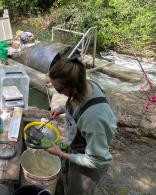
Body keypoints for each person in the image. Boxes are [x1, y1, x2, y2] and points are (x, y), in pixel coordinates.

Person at [46, 58, 117, 195]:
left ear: (72, 87)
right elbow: (77, 102)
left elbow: (96, 161)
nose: (59, 93)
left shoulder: (94, 117)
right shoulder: (88, 85)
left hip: (87, 168)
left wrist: (60, 153)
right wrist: (62, 108)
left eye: (59, 90)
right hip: (77, 151)